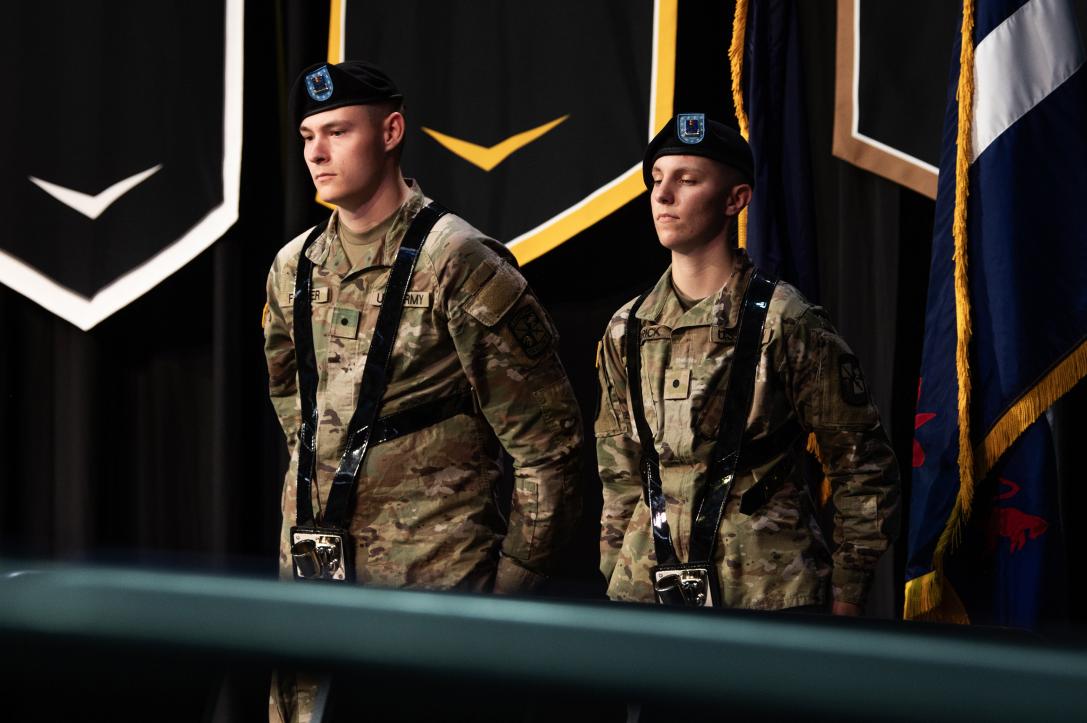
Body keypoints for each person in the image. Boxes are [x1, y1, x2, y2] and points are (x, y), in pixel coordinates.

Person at [263, 60, 584, 720]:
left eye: (337, 131)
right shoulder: (293, 267)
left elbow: (551, 448)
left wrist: (509, 591)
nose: (316, 152)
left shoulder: (456, 258)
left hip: (430, 586)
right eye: (306, 135)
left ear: (390, 131)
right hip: (312, 587)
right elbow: (294, 401)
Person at [595, 114, 899, 614]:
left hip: (767, 592)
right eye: (657, 180)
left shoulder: (786, 321)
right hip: (646, 594)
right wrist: (619, 570)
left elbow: (861, 463)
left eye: (687, 180)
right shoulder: (626, 329)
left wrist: (847, 594)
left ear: (736, 199)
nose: (663, 195)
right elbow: (619, 470)